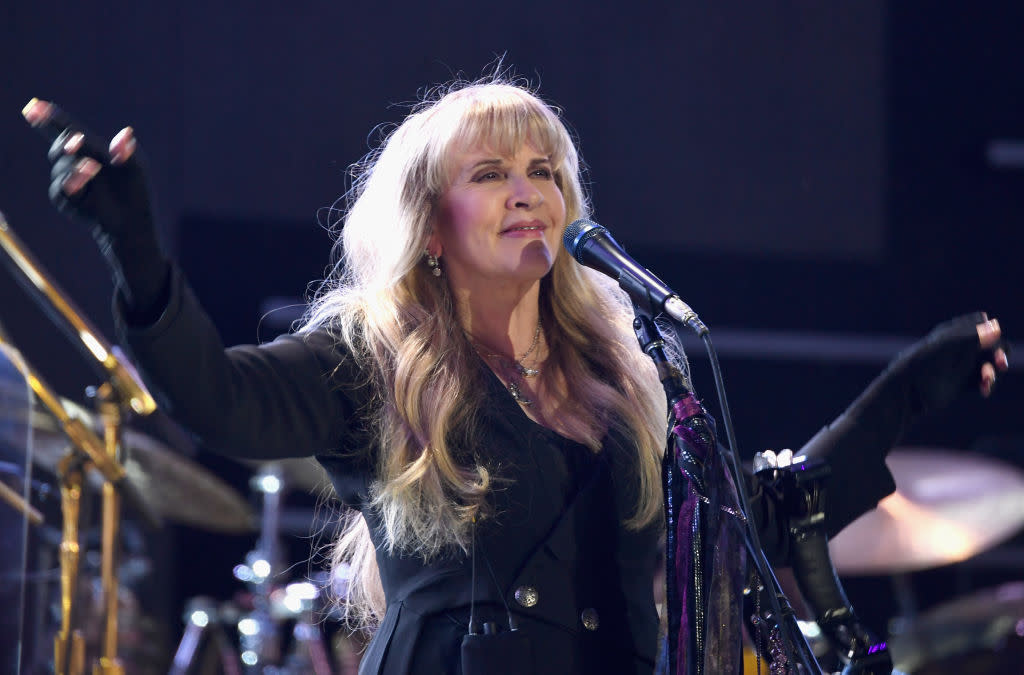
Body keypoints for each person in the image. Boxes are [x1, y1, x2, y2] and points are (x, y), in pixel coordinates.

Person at [22, 78, 1008, 674]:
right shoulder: (375, 360)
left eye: (543, 170)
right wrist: (138, 258)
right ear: (429, 225)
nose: (527, 190)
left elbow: (739, 538)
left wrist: (904, 393)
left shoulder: (625, 381)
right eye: (489, 173)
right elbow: (218, 400)